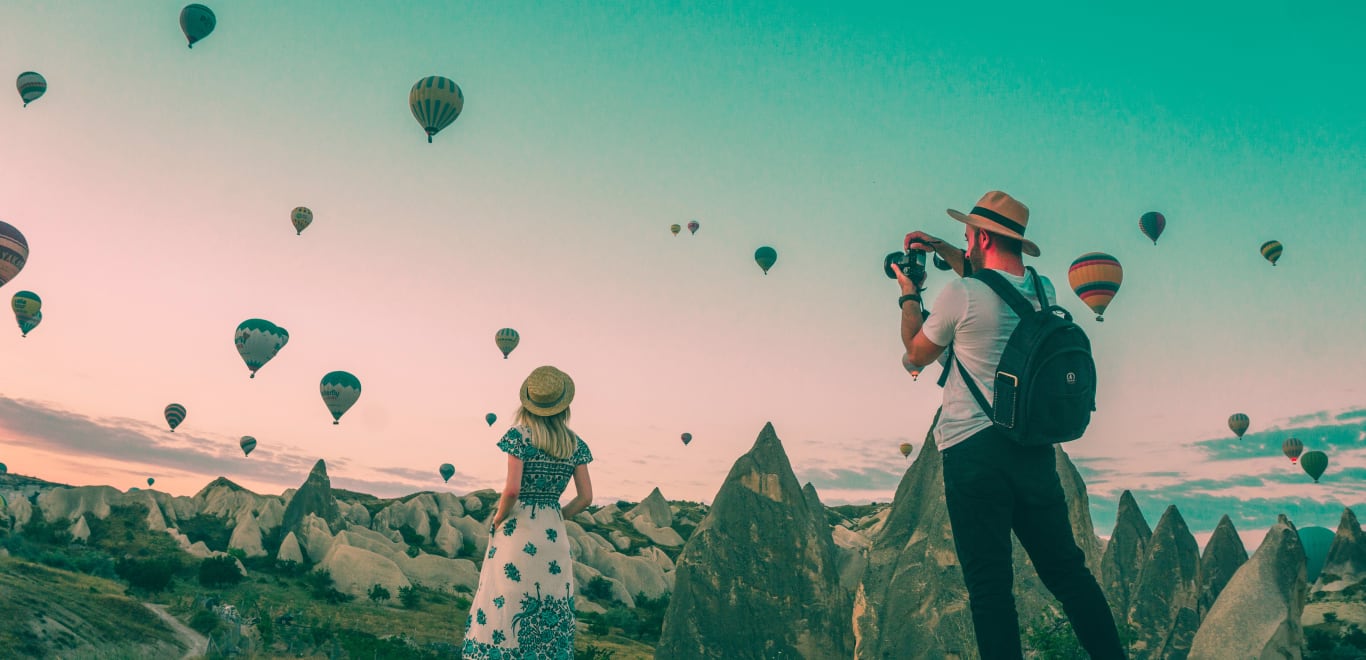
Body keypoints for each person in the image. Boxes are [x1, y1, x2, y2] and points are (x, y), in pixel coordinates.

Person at [894, 191, 1125, 659]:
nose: (964, 244)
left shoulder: (960, 293)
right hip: (1034, 450)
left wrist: (909, 294)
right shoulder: (1044, 292)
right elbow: (991, 282)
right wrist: (941, 247)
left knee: (990, 589)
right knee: (1068, 573)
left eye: (966, 237)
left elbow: (915, 355)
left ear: (981, 236)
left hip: (972, 452)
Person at [462, 365, 594, 659]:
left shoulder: (519, 437)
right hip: (553, 536)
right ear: (564, 406)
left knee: (505, 600)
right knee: (550, 601)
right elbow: (586, 497)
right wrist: (558, 516)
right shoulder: (575, 444)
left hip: (517, 532)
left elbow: (511, 491)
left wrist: (498, 519)